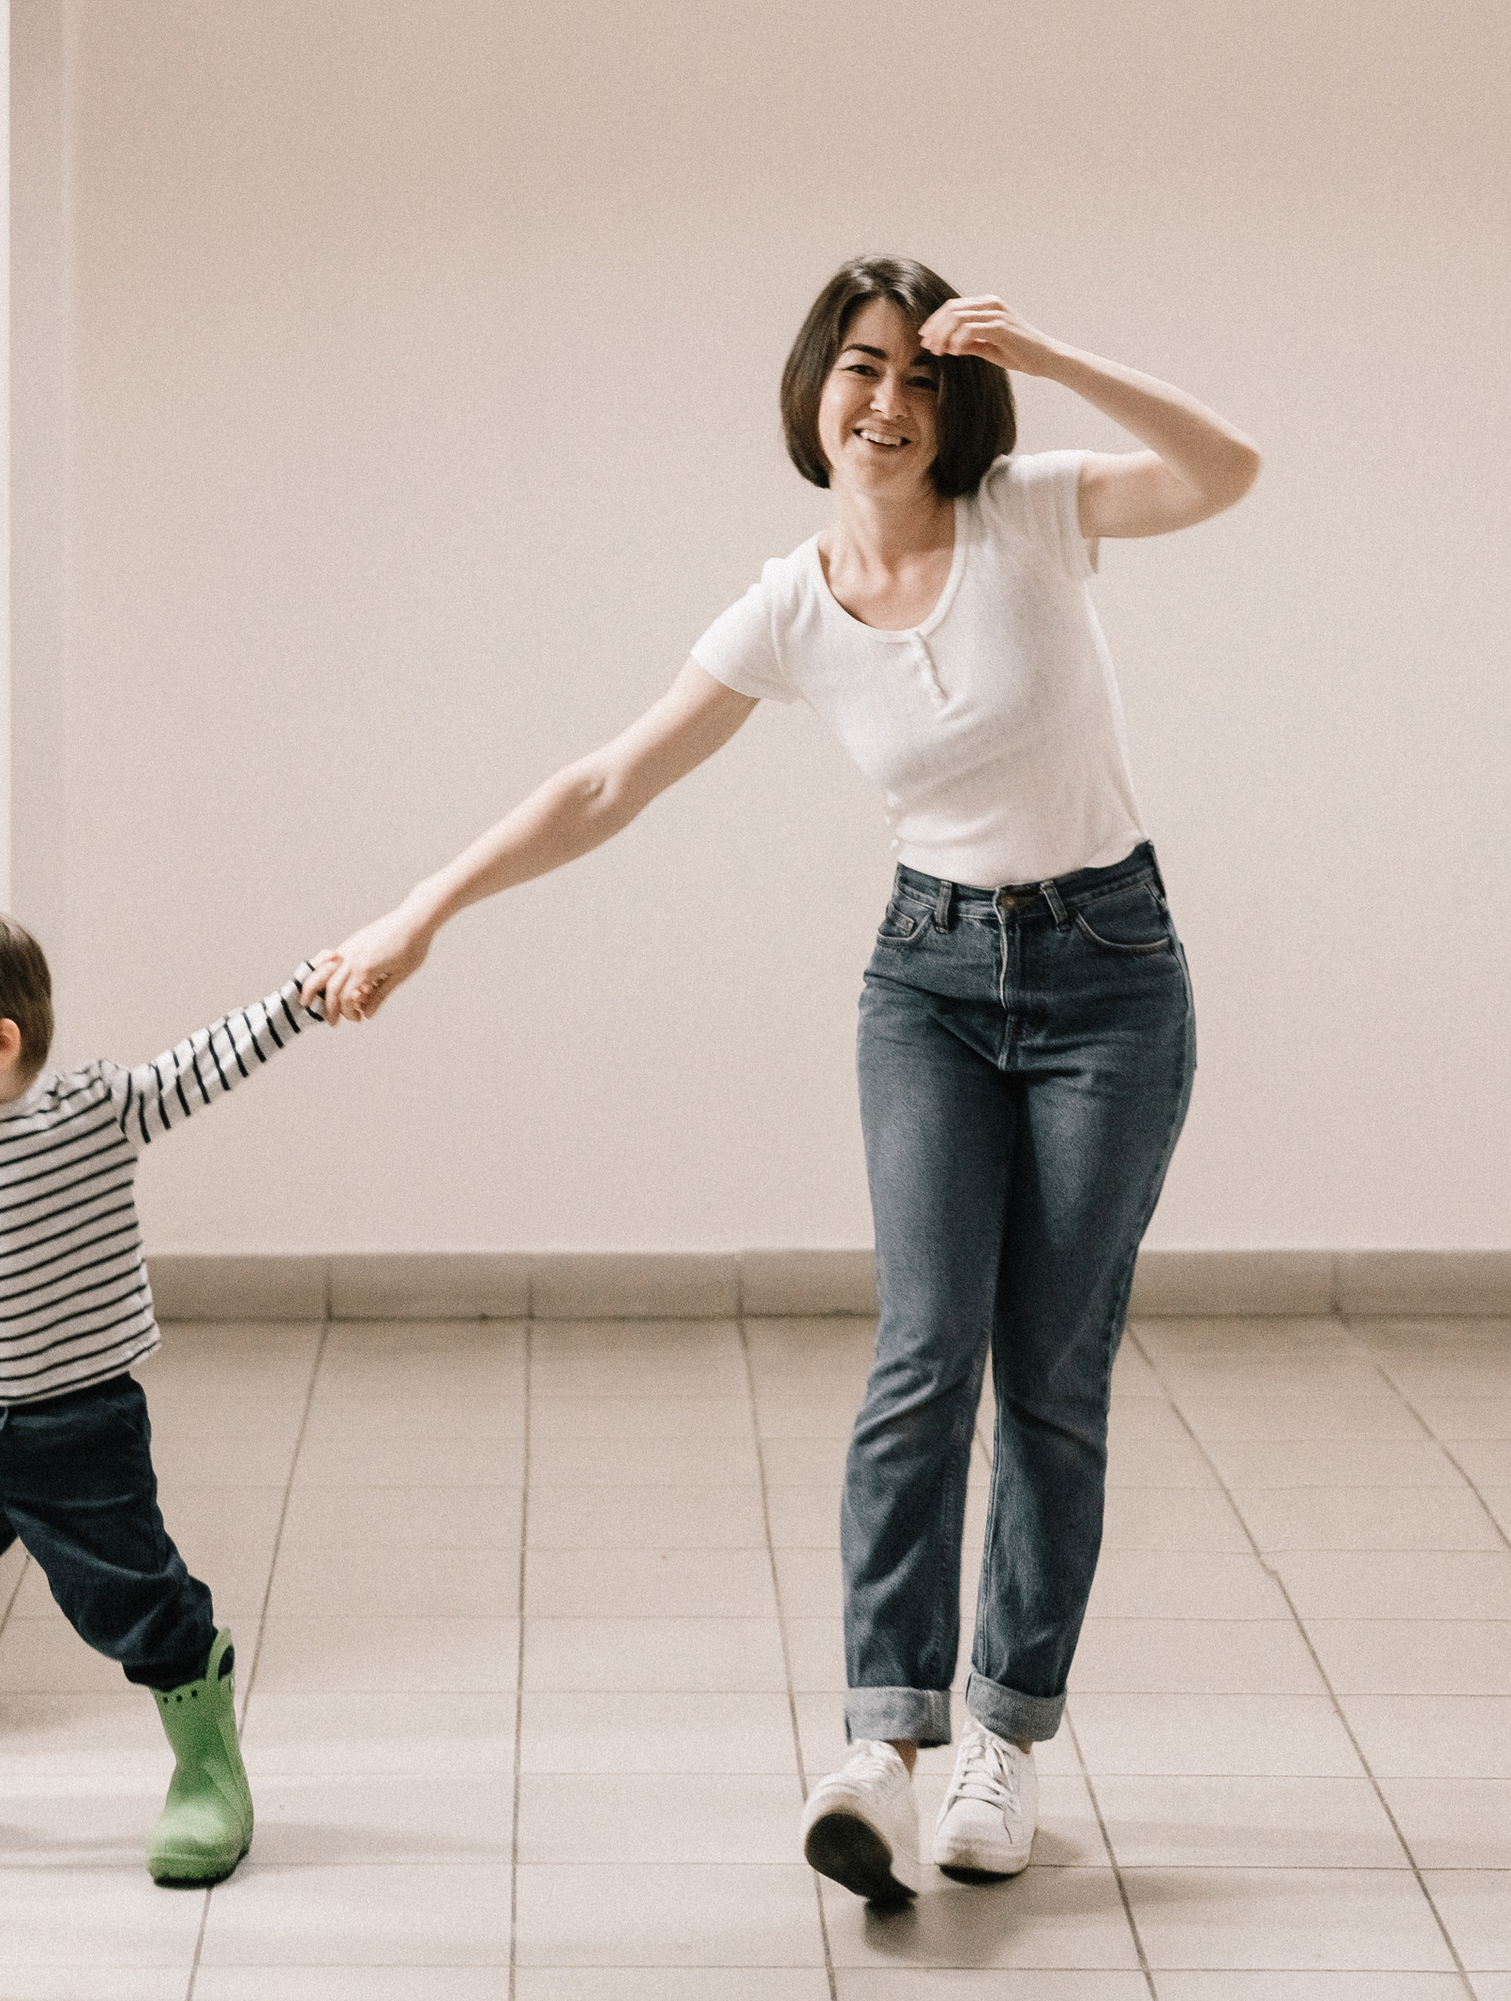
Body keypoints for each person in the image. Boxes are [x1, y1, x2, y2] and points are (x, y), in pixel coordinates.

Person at [311, 259, 1257, 1909]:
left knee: (1051, 1374)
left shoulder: (1034, 510)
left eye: (922, 379)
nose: (889, 405)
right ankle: (880, 1748)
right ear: (815, 388)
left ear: (960, 406)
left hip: (1114, 980)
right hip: (931, 987)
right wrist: (418, 917)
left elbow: (1227, 466)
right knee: (921, 1355)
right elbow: (606, 777)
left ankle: (1005, 1744)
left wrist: (1040, 350)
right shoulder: (791, 606)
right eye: (860, 371)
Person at [0, 903, 334, 1887]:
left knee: (129, 1598)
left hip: (82, 1429)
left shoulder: (97, 1108)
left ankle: (209, 1770)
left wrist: (302, 999)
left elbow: (211, 1059)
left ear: (0, 1044)